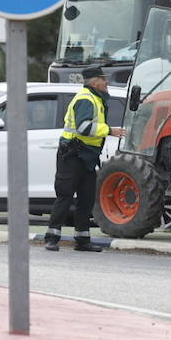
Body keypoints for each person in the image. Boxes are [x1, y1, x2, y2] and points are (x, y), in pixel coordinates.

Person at [45, 67, 126, 252]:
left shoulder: (96, 98)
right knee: (65, 196)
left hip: (87, 155)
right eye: (103, 79)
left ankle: (82, 240)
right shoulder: (85, 98)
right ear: (94, 81)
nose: (107, 83)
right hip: (73, 154)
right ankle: (52, 238)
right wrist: (109, 130)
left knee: (86, 198)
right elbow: (83, 127)